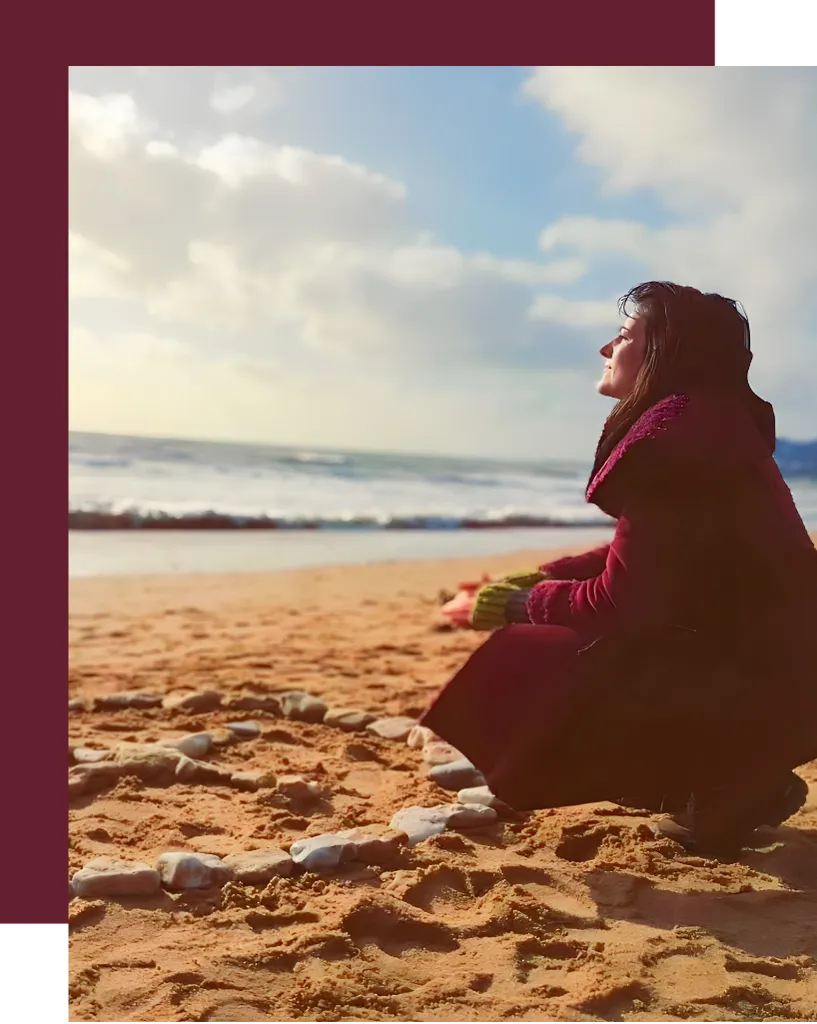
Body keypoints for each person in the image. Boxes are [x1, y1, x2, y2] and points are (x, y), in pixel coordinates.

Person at [420, 281, 817, 859]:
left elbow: (621, 603)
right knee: (568, 631)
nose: (607, 348)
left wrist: (510, 606)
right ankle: (733, 776)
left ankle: (729, 778)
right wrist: (535, 578)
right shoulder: (710, 426)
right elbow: (652, 557)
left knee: (540, 649)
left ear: (669, 352)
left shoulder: (675, 440)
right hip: (786, 677)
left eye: (627, 335)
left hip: (769, 685)